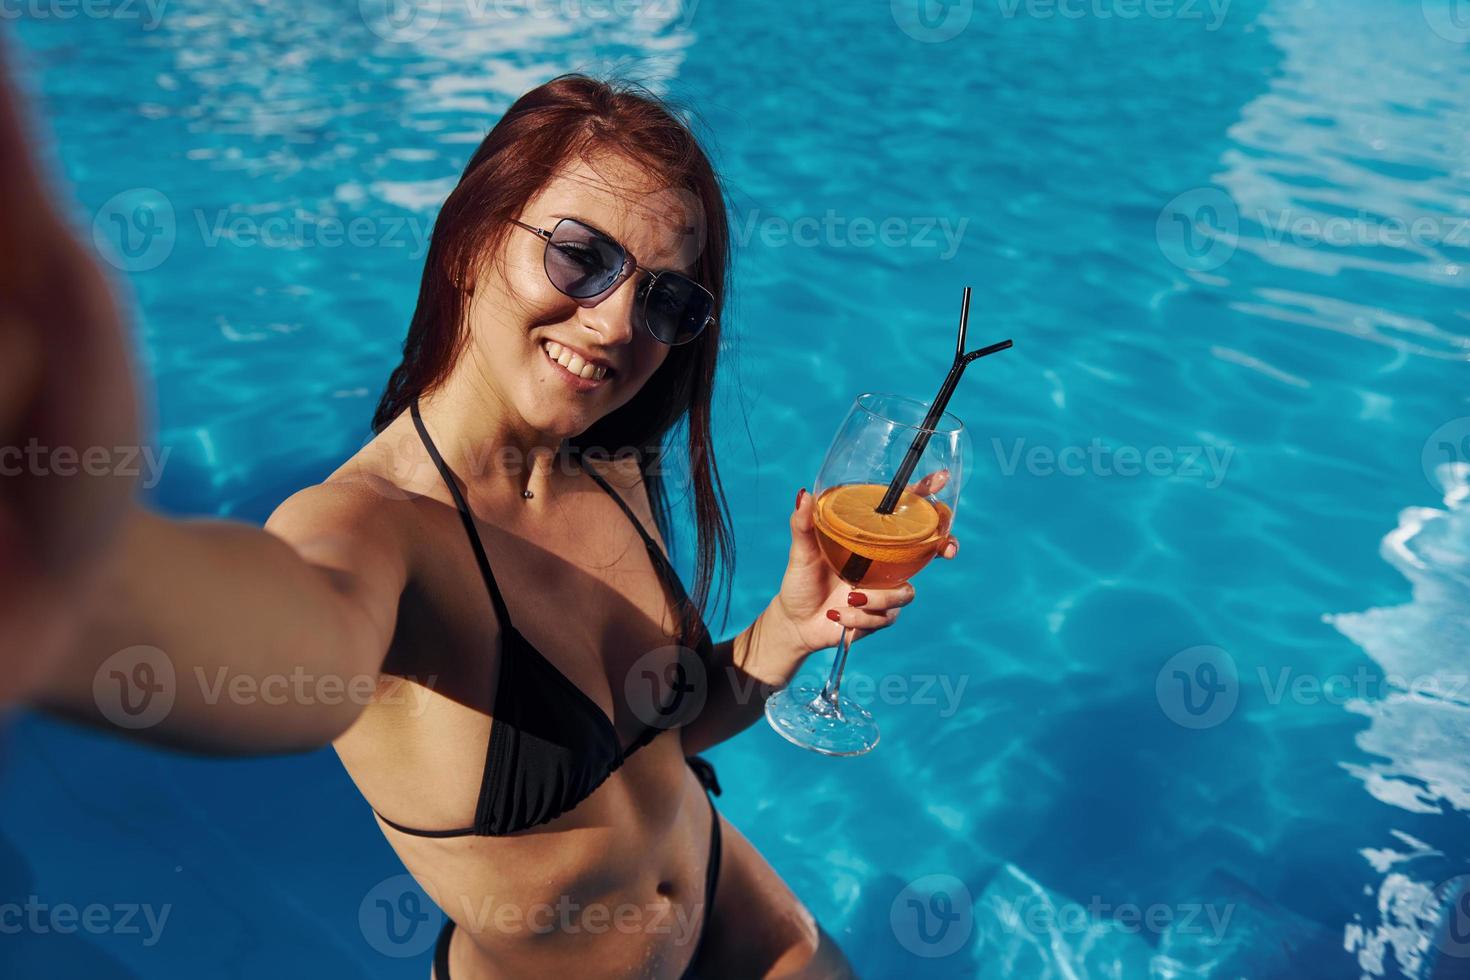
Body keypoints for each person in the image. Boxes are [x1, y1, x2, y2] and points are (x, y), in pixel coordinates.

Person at [7, 71, 960, 978]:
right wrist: (55, 579)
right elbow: (297, 636)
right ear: (469, 242)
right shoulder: (372, 531)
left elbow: (674, 731)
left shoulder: (616, 464)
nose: (616, 324)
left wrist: (789, 630)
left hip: (740, 913)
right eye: (583, 256)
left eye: (666, 298)